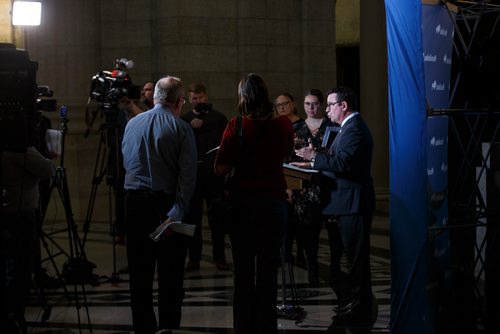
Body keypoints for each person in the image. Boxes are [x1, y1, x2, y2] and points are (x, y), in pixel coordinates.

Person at [214, 73, 294, 334]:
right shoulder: (283, 125)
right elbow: (284, 153)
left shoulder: (236, 125)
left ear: (243, 96)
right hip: (273, 203)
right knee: (269, 270)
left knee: (244, 271)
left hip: (243, 205)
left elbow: (220, 168)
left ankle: (244, 328)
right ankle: (266, 327)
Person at [293, 86, 376, 326]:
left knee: (357, 260)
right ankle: (355, 303)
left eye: (330, 104)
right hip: (347, 203)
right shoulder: (347, 128)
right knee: (352, 259)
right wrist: (314, 161)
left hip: (354, 204)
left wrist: (313, 158)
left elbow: (343, 162)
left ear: (344, 106)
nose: (326, 109)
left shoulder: (355, 129)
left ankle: (360, 308)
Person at [121, 76, 197, 334]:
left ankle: (143, 327)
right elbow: (188, 177)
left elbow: (126, 163)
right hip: (166, 204)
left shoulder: (132, 124)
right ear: (180, 101)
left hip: (134, 203)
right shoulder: (181, 127)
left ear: (154, 98)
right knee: (171, 274)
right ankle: (167, 328)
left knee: (139, 274)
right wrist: (178, 211)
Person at [1, 145, 55, 334]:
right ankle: (14, 316)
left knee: (10, 267)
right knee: (20, 270)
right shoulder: (21, 151)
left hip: (7, 216)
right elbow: (49, 170)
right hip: (21, 217)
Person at [288, 89, 335, 284]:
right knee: (309, 231)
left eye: (315, 104)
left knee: (333, 230)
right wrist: (289, 188)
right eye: (307, 104)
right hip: (304, 187)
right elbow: (289, 158)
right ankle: (312, 267)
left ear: (322, 104)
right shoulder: (297, 127)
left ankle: (334, 268)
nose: (311, 108)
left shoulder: (331, 126)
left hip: (327, 183)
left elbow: (334, 155)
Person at [181, 83, 229, 271]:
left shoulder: (218, 118)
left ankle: (220, 256)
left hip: (214, 175)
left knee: (217, 218)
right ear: (189, 99)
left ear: (206, 97)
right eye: (194, 98)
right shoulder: (184, 119)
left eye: (200, 98)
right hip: (193, 176)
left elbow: (226, 144)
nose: (198, 101)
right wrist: (189, 127)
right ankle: (193, 257)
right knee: (192, 218)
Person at [274, 93, 307, 267]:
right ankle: (284, 255)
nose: (282, 107)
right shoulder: (275, 126)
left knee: (300, 222)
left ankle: (301, 254)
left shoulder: (302, 125)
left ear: (293, 104)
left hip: (300, 176)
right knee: (283, 220)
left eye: (285, 103)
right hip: (281, 177)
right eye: (278, 105)